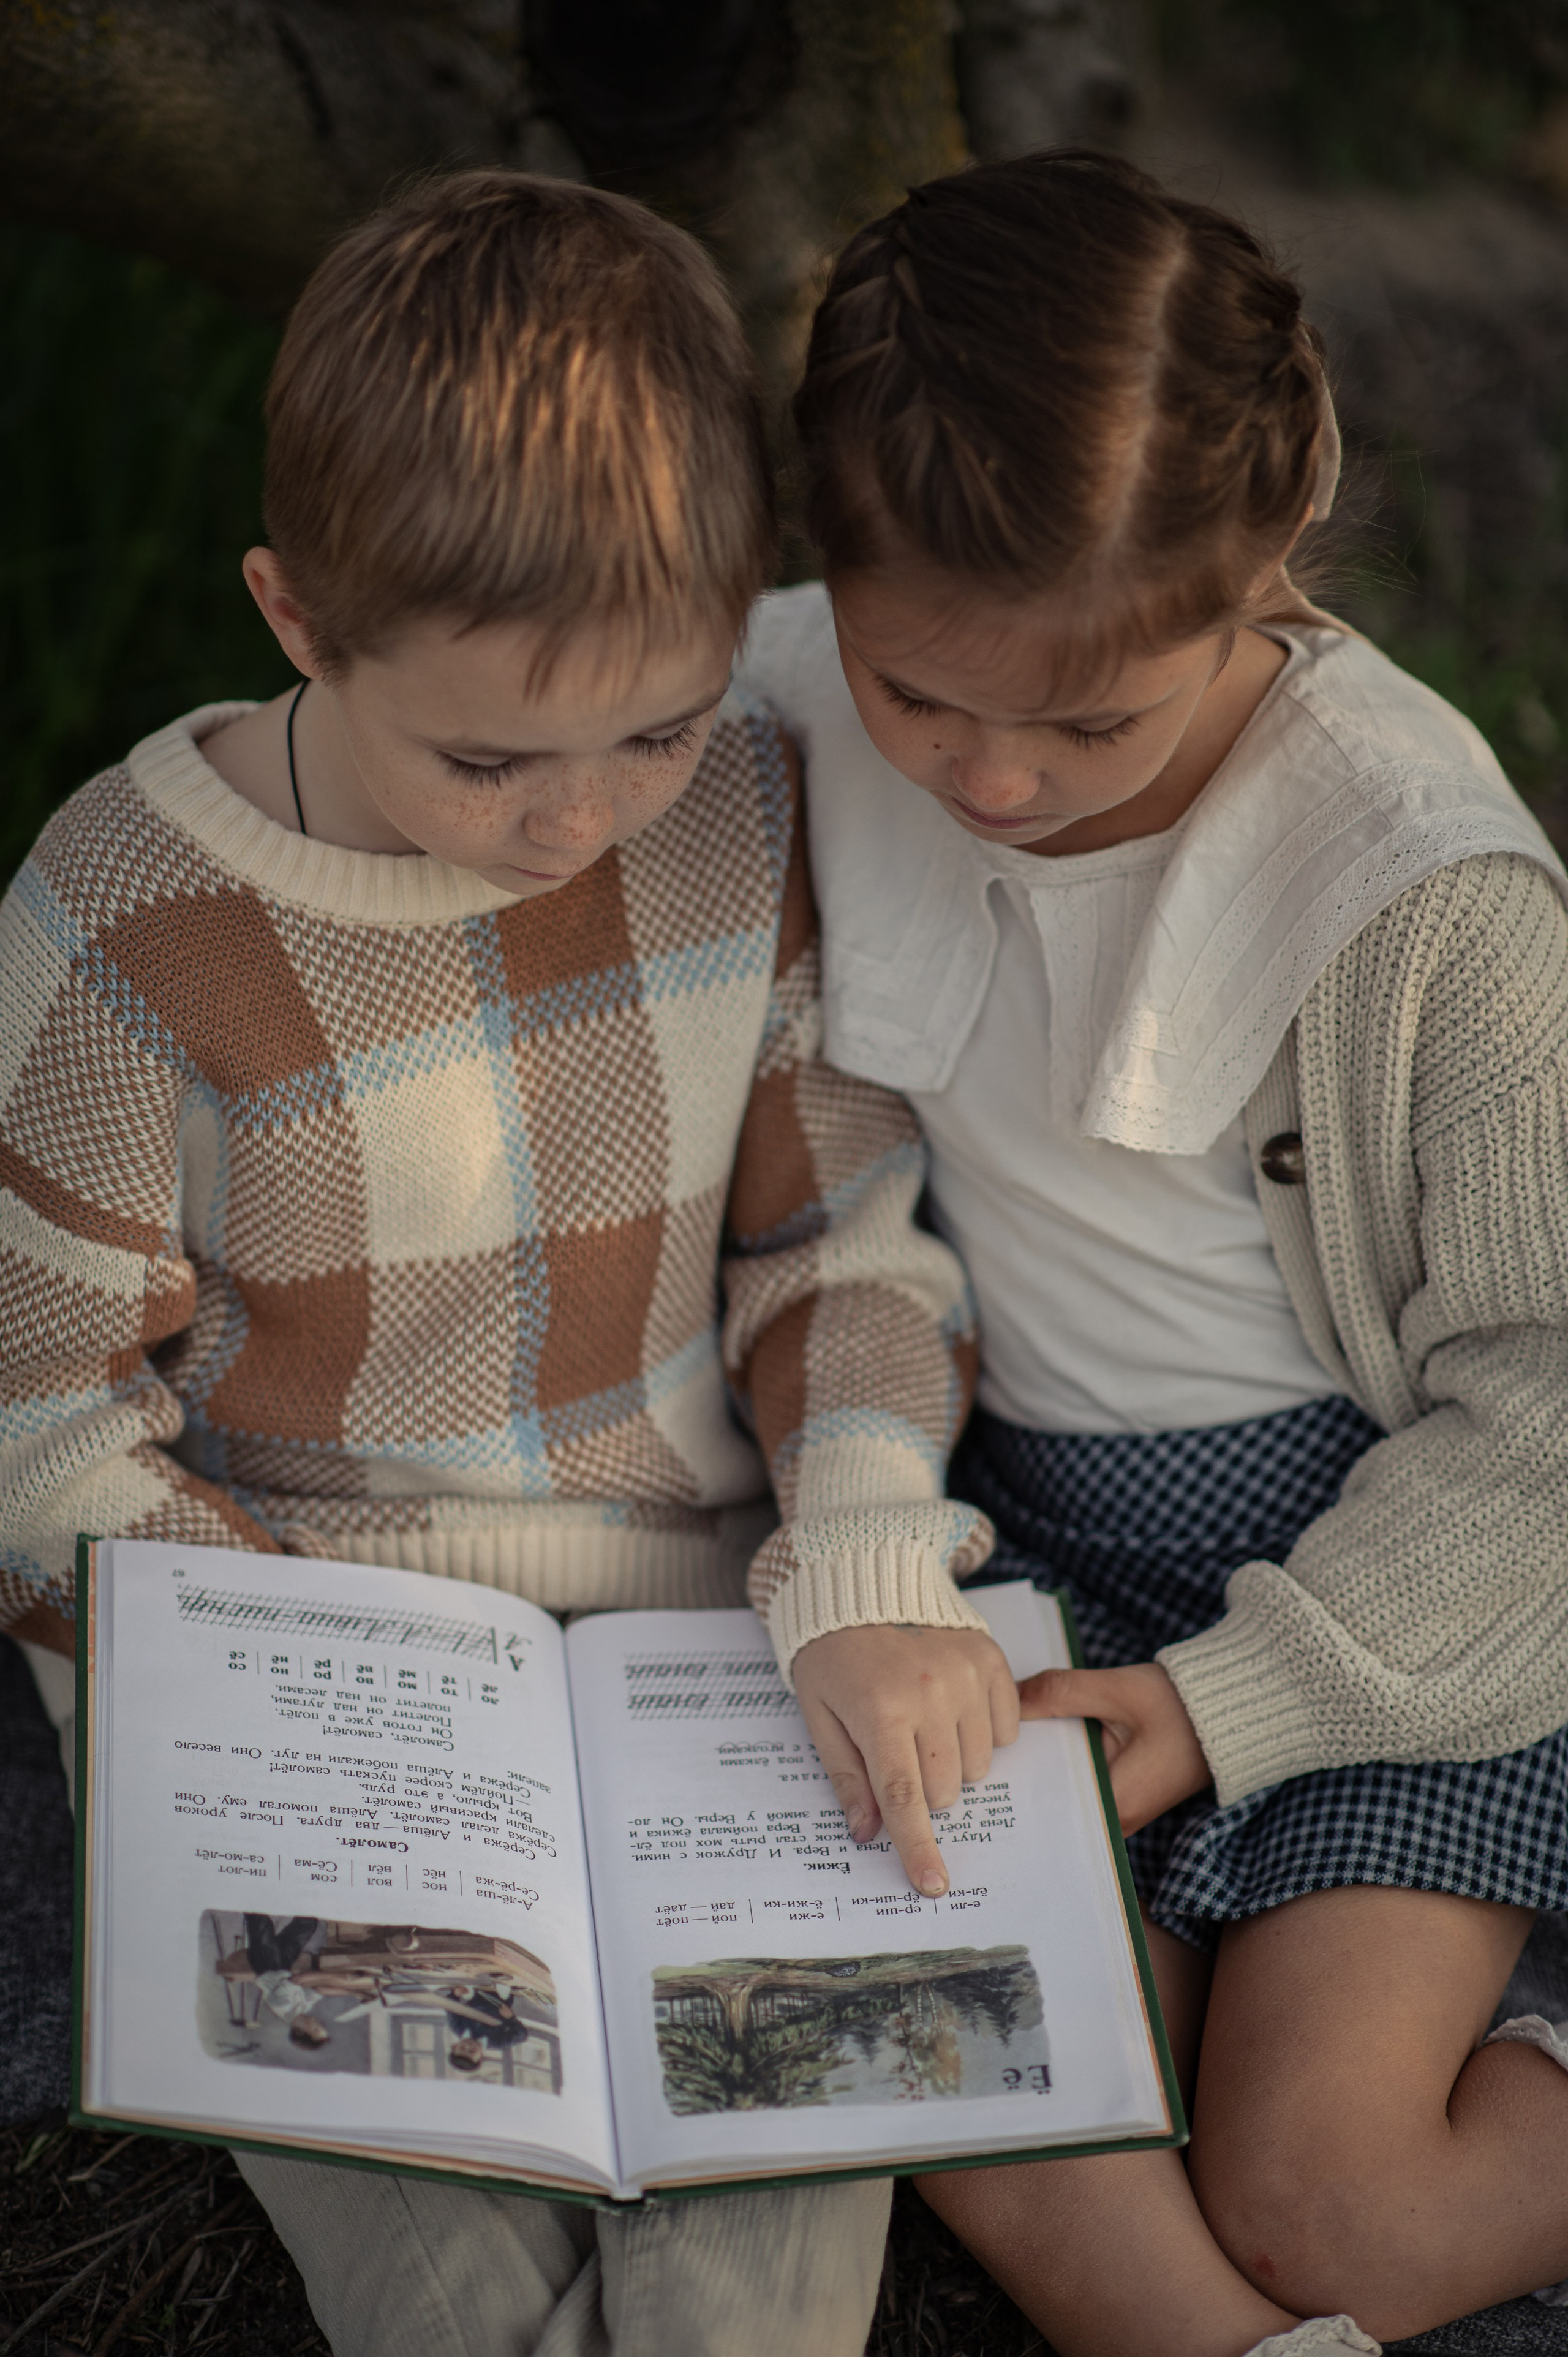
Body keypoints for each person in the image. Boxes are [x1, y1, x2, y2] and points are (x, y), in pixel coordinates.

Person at [0, 170, 1014, 2357]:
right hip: (288, 1650)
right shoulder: (121, 919)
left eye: (651, 727)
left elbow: (831, 1241)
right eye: (483, 757)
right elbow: (32, 1421)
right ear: (292, 615)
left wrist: (861, 1556)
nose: (579, 823)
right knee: (448, 2276)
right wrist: (271, 1681)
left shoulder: (740, 812)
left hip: (693, 1640)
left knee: (765, 2260)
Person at [737, 149, 1568, 2357]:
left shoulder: (1417, 887)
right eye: (927, 700)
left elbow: (1549, 1419)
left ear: (1267, 556)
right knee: (988, 2061)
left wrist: (1238, 1703)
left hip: (1390, 1579)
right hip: (1028, 1555)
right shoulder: (784, 706)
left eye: (1090, 721)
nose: (991, 783)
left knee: (1333, 2204)